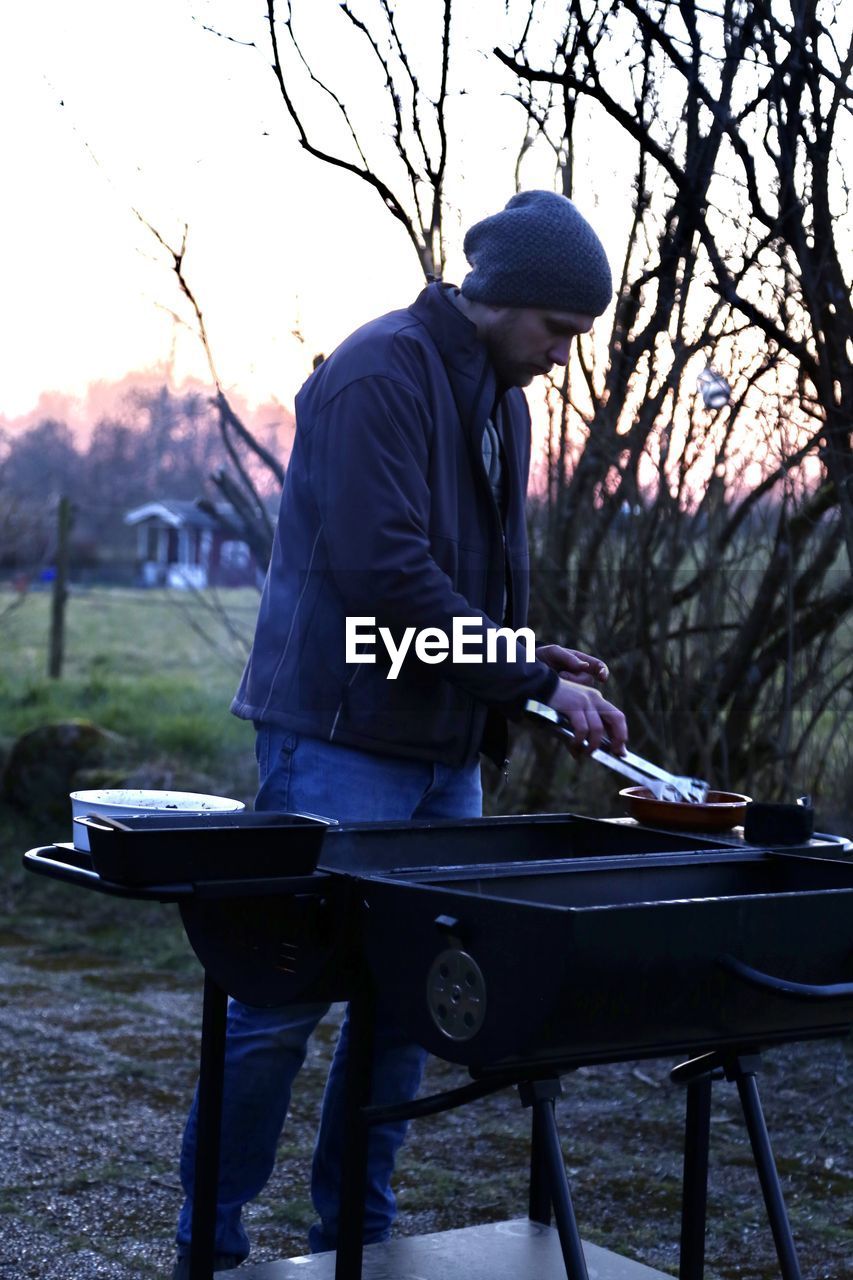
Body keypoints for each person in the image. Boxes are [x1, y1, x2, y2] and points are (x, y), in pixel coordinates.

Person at [171, 188, 628, 1277]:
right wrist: (521, 673)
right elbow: (385, 587)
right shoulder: (378, 374)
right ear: (505, 298)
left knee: (406, 1013)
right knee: (278, 1002)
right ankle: (210, 1242)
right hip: (333, 737)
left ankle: (357, 1247)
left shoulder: (501, 402)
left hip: (439, 756)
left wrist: (531, 667)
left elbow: (465, 587)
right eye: (558, 330)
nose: (562, 358)